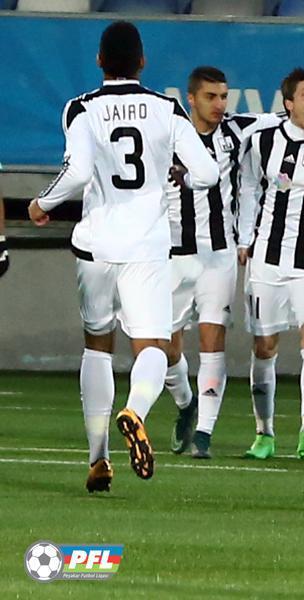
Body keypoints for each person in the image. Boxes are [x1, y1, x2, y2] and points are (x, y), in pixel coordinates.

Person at [28, 21, 218, 491]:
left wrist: (42, 203)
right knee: (151, 345)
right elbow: (208, 172)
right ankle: (136, 410)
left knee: (97, 346)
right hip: (147, 247)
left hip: (96, 245)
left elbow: (77, 173)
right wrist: (182, 177)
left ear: (99, 61)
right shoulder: (166, 108)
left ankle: (98, 459)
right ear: (142, 62)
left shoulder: (82, 108)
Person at [163, 66, 304, 459]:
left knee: (222, 339)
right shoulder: (169, 135)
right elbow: (250, 183)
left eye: (223, 96)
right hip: (180, 256)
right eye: (211, 97)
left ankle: (217, 432)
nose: (219, 104)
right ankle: (195, 408)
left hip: (230, 256)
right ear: (191, 99)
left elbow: (290, 120)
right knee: (171, 349)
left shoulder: (239, 129)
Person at [236, 67, 304, 461]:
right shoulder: (262, 139)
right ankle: (264, 434)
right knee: (264, 346)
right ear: (288, 104)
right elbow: (248, 185)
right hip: (267, 259)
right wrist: (244, 237)